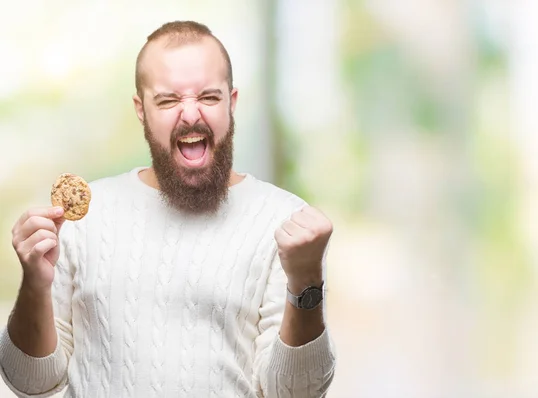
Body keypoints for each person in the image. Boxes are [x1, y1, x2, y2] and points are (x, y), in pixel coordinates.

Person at [0, 21, 336, 397]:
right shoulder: (83, 222)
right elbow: (29, 383)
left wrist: (306, 283)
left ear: (232, 102)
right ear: (141, 109)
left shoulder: (283, 222)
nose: (190, 115)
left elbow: (296, 393)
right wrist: (34, 283)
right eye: (168, 100)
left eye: (208, 97)